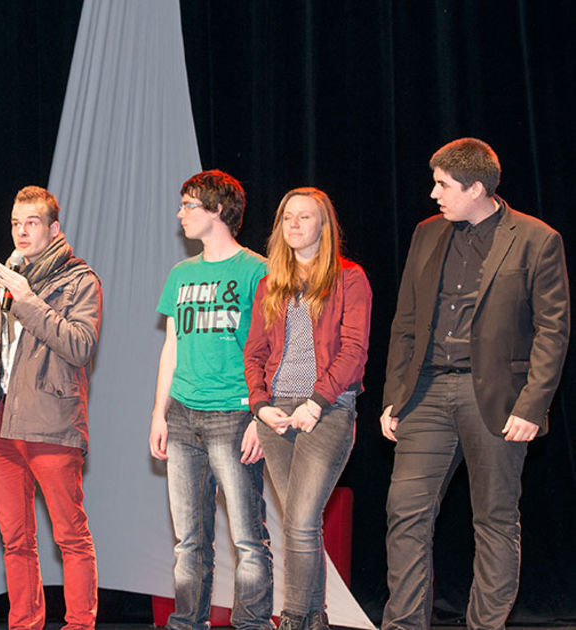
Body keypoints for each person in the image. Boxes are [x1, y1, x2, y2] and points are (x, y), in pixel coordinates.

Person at [381, 138, 569, 630]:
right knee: (405, 513)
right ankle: (403, 625)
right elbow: (406, 320)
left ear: (477, 187)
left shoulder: (535, 238)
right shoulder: (427, 234)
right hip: (424, 394)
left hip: (497, 400)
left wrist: (533, 405)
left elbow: (554, 329)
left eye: (443, 185)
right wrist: (393, 397)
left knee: (494, 520)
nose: (433, 194)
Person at [0, 185, 102, 630]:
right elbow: (3, 362)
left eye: (32, 222)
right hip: (1, 429)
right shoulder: (3, 287)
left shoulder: (80, 279)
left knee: (70, 536)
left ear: (54, 229)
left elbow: (80, 345)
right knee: (16, 542)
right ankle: (24, 624)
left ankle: (79, 624)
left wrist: (28, 300)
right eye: (16, 223)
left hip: (52, 425)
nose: (21, 231)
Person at [149, 170, 274, 630]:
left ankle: (253, 623)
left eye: (189, 205)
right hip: (182, 414)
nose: (180, 214)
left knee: (248, 537)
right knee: (188, 540)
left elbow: (271, 351)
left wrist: (261, 416)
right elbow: (172, 345)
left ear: (218, 210)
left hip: (235, 413)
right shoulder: (181, 273)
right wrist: (158, 414)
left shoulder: (257, 271)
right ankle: (187, 623)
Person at [242, 189, 372, 630]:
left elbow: (353, 350)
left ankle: (294, 617)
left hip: (329, 410)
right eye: (287, 218)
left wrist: (317, 403)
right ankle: (313, 617)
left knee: (299, 519)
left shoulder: (349, 278)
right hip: (277, 415)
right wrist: (260, 406)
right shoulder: (269, 282)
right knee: (301, 523)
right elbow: (254, 353)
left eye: (305, 217)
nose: (294, 225)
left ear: (324, 226)